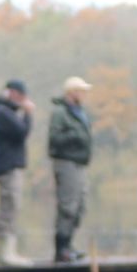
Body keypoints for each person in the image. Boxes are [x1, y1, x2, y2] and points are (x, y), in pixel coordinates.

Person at [0, 80, 35, 264]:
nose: (24, 100)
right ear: (12, 93)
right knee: (9, 207)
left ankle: (8, 252)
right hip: (6, 166)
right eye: (22, 96)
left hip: (10, 165)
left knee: (13, 207)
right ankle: (5, 254)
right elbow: (21, 132)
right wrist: (28, 113)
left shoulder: (6, 112)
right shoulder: (1, 112)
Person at [48, 76, 96, 261]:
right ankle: (61, 249)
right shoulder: (60, 112)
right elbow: (54, 139)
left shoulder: (79, 112)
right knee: (68, 207)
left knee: (80, 207)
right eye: (82, 91)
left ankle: (69, 245)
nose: (84, 95)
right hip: (66, 163)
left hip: (80, 163)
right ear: (72, 92)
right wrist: (75, 135)